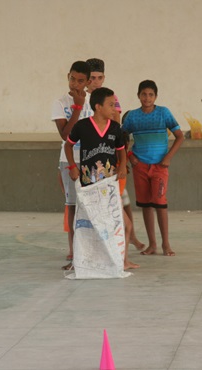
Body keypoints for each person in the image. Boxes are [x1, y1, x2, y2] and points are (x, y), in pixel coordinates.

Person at [65, 87, 139, 270]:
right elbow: (68, 146)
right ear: (98, 107)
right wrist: (72, 167)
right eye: (111, 105)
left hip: (109, 186)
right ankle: (81, 261)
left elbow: (121, 152)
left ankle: (123, 260)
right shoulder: (82, 126)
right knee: (87, 226)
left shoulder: (115, 128)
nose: (115, 109)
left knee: (125, 224)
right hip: (88, 187)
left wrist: (122, 166)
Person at [87, 58, 146, 251]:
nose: (95, 82)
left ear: (104, 78)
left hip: (110, 157)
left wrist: (121, 158)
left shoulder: (110, 97)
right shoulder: (82, 99)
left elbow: (116, 124)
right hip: (91, 159)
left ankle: (131, 236)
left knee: (122, 199)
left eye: (99, 77)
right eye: (92, 78)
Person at [122, 80, 184, 257]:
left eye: (150, 94)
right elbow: (121, 139)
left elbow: (180, 137)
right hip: (140, 166)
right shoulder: (132, 116)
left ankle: (166, 244)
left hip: (159, 167)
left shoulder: (163, 113)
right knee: (146, 205)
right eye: (143, 94)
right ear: (138, 96)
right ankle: (152, 244)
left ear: (156, 96)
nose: (147, 98)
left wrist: (167, 158)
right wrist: (130, 157)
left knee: (160, 204)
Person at [51, 61, 93, 269]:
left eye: (80, 81)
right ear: (68, 76)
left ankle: (90, 252)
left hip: (91, 160)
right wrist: (76, 107)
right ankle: (75, 253)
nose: (75, 84)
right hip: (69, 160)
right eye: (72, 79)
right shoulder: (60, 102)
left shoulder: (94, 102)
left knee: (90, 206)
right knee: (72, 206)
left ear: (87, 82)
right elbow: (66, 134)